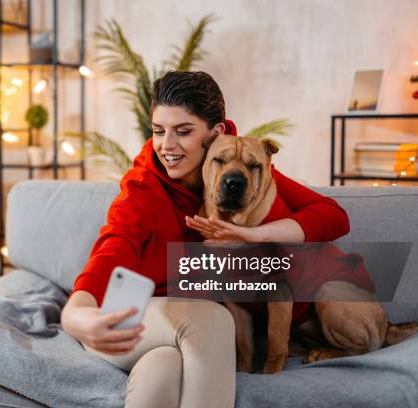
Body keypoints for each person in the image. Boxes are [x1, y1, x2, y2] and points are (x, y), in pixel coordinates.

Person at [60, 71, 350, 408]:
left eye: (183, 132)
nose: (167, 146)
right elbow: (112, 250)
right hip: (125, 317)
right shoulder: (142, 192)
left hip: (173, 341)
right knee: (212, 319)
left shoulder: (241, 166)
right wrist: (78, 315)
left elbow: (332, 215)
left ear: (216, 133)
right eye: (158, 131)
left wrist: (255, 234)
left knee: (163, 370)